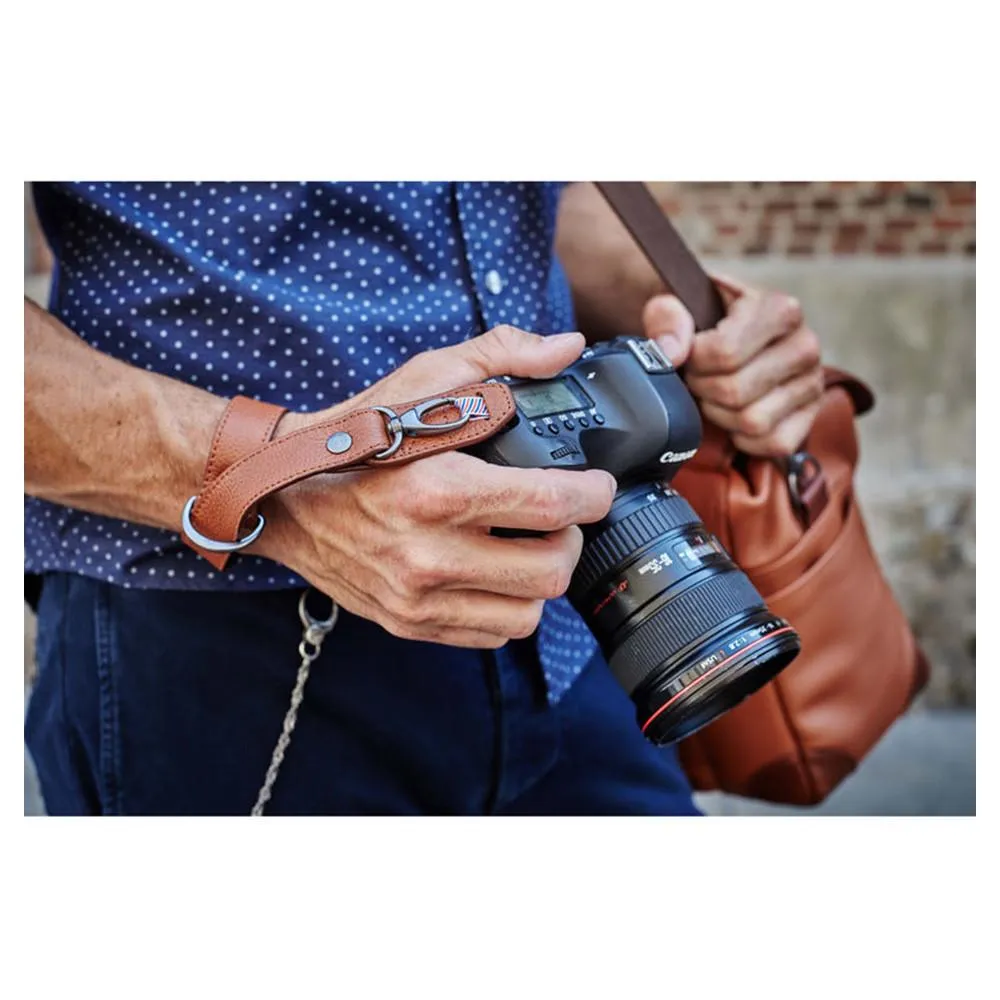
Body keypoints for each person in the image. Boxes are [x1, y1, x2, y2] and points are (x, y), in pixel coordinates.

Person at [24, 181, 823, 815]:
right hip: (212, 646)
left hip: (568, 629)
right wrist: (280, 480)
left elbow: (547, 195)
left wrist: (701, 329)